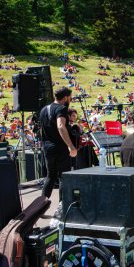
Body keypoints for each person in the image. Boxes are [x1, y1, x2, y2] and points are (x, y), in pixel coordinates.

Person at [39, 87, 77, 218]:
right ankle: (62, 210)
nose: (70, 100)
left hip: (47, 147)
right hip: (60, 148)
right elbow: (61, 126)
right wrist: (71, 146)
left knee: (50, 176)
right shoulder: (61, 109)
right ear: (65, 97)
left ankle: (39, 208)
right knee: (63, 177)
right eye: (70, 97)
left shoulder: (44, 109)